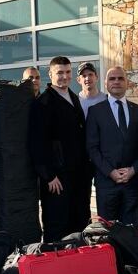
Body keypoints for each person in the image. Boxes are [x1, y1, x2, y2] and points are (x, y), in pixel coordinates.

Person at [29, 56, 90, 241]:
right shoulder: (43, 102)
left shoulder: (73, 97)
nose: (64, 76)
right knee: (57, 225)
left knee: (79, 223)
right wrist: (48, 175)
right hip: (57, 179)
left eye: (68, 72)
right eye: (59, 73)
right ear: (50, 74)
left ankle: (80, 266)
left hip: (78, 175)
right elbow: (37, 142)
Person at [86, 66, 138, 225]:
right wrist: (110, 171)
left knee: (131, 231)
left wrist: (134, 170)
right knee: (107, 231)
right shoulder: (95, 111)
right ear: (105, 83)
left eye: (121, 78)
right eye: (112, 79)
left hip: (132, 182)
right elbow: (92, 148)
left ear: (127, 82)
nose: (117, 82)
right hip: (106, 183)